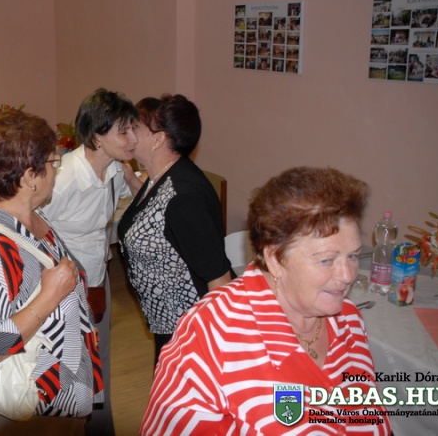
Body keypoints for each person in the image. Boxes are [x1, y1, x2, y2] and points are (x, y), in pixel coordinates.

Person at [141, 167, 392, 435]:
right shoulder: (209, 333)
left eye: (352, 256)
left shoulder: (348, 318)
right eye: (326, 260)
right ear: (275, 259)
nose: (347, 276)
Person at [0, 109, 103, 435]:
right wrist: (50, 296)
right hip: (33, 406)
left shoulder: (33, 218)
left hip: (62, 394)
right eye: (53, 162)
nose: (56, 170)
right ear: (29, 177)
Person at [42, 88, 141, 436]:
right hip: (62, 286)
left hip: (97, 278)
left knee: (99, 360)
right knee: (68, 366)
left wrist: (130, 175)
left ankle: (101, 429)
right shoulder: (64, 177)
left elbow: (142, 194)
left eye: (133, 129)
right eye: (124, 132)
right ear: (97, 137)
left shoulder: (114, 169)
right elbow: (30, 225)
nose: (133, 139)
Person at [117, 95, 233, 364]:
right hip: (167, 322)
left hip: (190, 329)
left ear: (158, 139)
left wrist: (219, 343)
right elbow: (155, 214)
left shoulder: (184, 197)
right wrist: (131, 179)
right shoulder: (161, 176)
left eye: (135, 127)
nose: (128, 135)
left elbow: (218, 277)